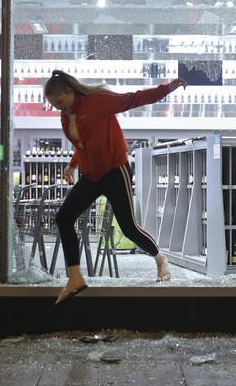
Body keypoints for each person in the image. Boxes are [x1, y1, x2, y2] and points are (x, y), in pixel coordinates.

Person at [44, 69, 187, 305]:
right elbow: (84, 143)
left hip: (114, 172)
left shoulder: (97, 102)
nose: (58, 107)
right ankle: (75, 277)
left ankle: (160, 258)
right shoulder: (65, 115)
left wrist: (166, 89)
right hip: (90, 176)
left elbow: (134, 98)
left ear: (69, 92)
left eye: (59, 101)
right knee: (63, 218)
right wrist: (73, 164)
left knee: (128, 227)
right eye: (53, 104)